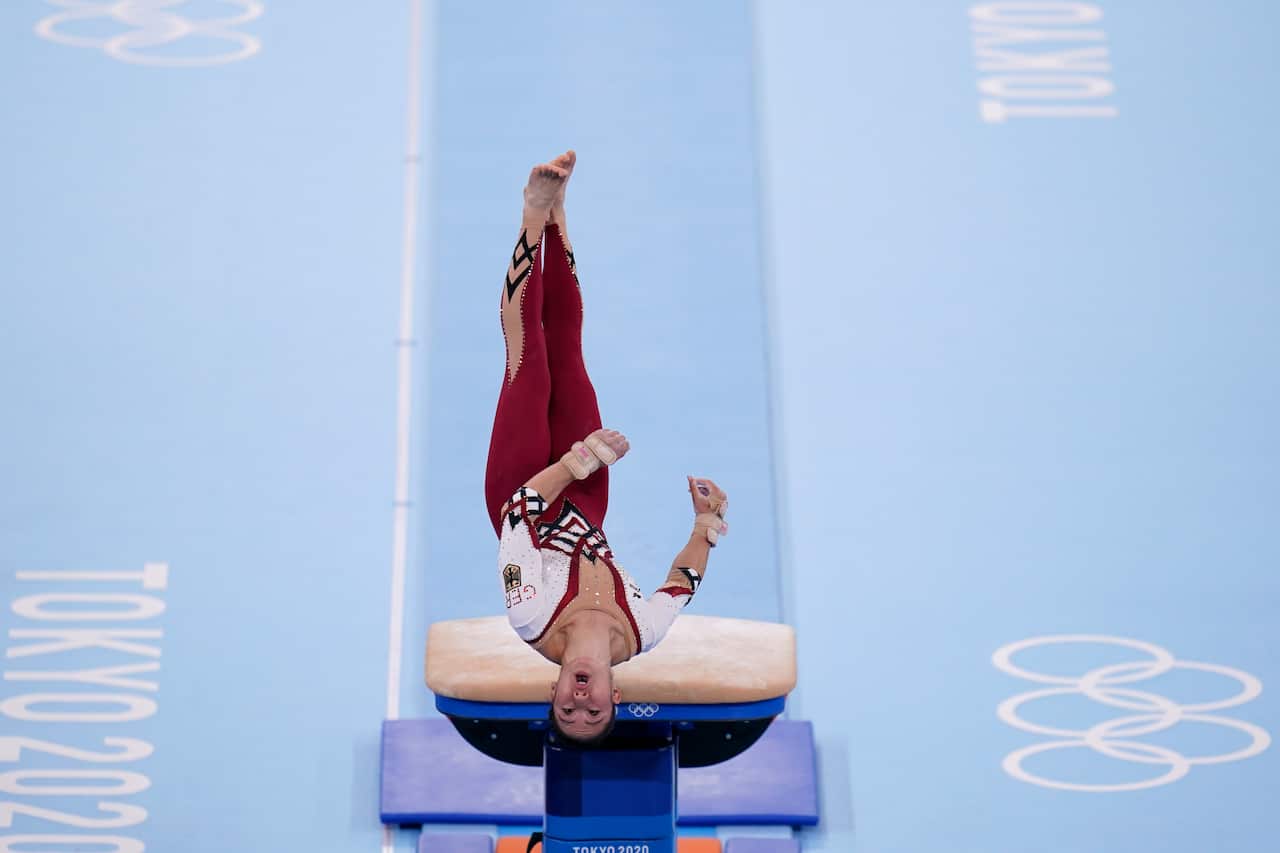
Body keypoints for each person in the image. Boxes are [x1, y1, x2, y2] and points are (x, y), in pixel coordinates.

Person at [484, 151, 729, 745]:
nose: (580, 704)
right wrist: (709, 522)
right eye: (594, 714)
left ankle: (531, 216)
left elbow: (520, 511)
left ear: (555, 691)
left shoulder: (530, 617)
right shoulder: (644, 631)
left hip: (527, 492)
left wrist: (579, 461)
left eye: (567, 711)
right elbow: (682, 582)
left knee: (530, 360)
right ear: (615, 697)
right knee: (568, 349)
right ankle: (560, 214)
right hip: (588, 505)